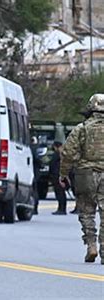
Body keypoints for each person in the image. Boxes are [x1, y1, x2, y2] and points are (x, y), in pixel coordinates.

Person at [60, 94, 104, 264]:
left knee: (86, 212)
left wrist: (63, 174)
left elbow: (68, 153)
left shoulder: (81, 128)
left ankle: (91, 245)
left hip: (85, 174)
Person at [49, 141, 67, 215]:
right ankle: (61, 208)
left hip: (58, 176)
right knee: (60, 193)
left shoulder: (58, 155)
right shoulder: (61, 155)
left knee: (60, 193)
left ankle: (61, 209)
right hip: (58, 175)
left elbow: (53, 165)